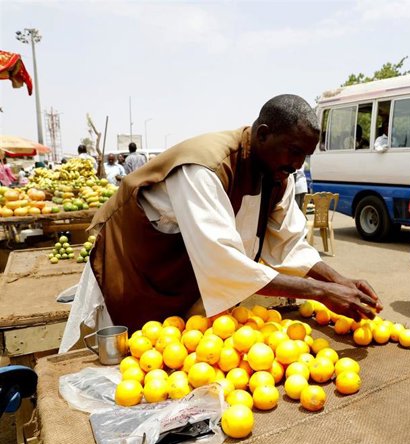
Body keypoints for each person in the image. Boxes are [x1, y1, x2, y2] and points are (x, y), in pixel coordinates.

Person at [59, 94, 382, 352]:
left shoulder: (277, 174)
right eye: (294, 151)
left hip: (188, 281)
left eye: (305, 156)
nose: (298, 165)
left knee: (177, 352)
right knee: (133, 358)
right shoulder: (203, 168)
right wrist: (320, 291)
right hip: (137, 275)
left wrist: (338, 281)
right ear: (263, 134)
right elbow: (223, 263)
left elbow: (289, 242)